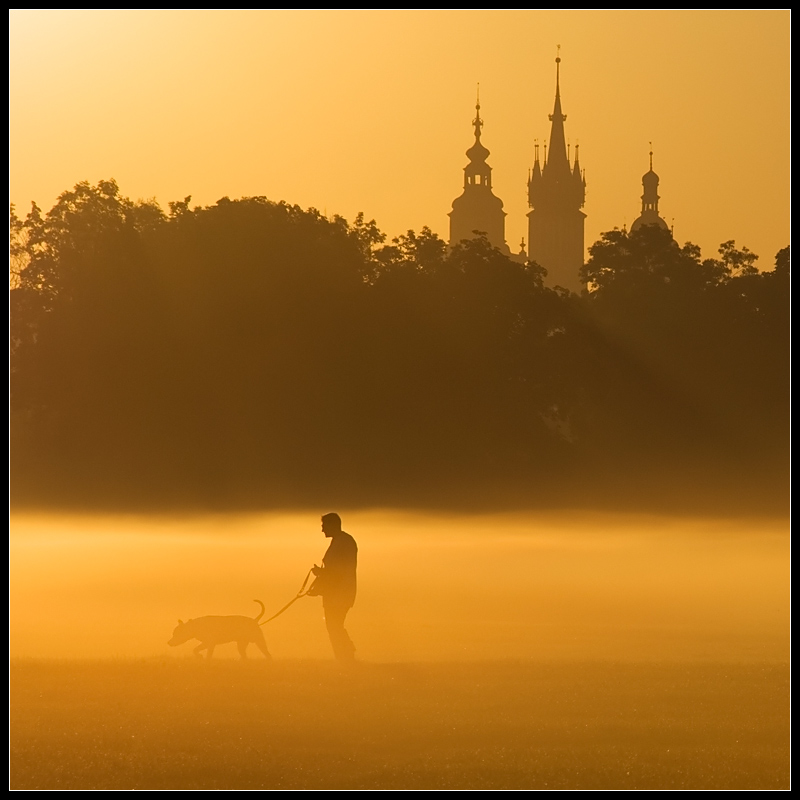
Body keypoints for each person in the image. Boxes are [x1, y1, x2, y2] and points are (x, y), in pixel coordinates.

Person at [311, 512, 357, 662]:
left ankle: (345, 657)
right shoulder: (341, 540)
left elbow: (339, 571)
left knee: (334, 626)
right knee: (334, 626)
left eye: (324, 526)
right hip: (336, 592)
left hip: (340, 593)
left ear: (332, 525)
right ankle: (345, 655)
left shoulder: (343, 542)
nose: (322, 530)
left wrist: (320, 573)